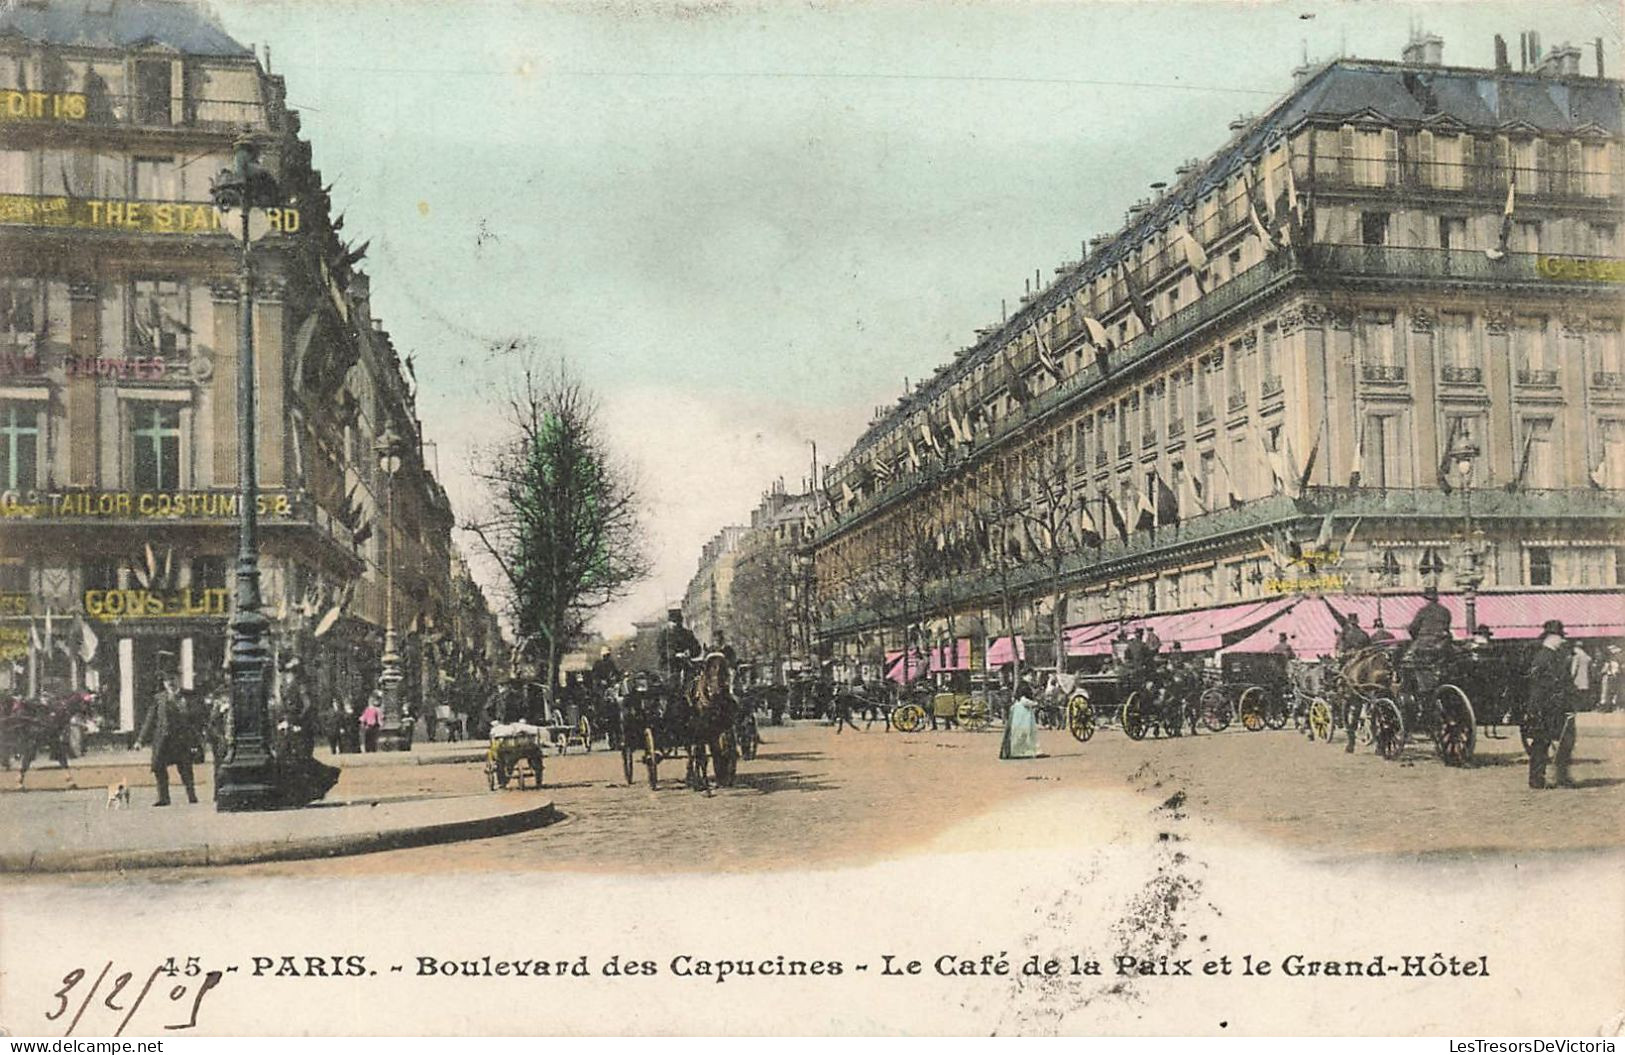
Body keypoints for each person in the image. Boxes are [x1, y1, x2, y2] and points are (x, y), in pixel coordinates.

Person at [135, 665, 199, 806]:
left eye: (173, 679)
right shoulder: (159, 698)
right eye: (166, 680)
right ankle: (163, 798)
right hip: (163, 740)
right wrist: (140, 740)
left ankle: (191, 795)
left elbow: (196, 720)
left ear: (179, 680)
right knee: (159, 768)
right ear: (163, 683)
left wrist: (196, 739)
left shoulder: (188, 697)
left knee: (185, 768)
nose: (170, 683)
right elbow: (149, 720)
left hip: (181, 740)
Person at [1525, 620, 1577, 790]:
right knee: (1544, 743)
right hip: (1547, 707)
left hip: (1552, 707)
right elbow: (1542, 685)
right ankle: (1540, 779)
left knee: (1558, 741)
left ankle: (1555, 777)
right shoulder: (1545, 657)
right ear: (1552, 638)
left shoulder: (1551, 656)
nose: (1562, 641)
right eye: (1560, 637)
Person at [657, 607, 702, 684]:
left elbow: (697, 648)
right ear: (669, 623)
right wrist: (675, 654)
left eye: (678, 622)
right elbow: (661, 650)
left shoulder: (687, 634)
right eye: (674, 622)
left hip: (686, 664)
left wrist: (690, 652)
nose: (676, 624)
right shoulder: (664, 635)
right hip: (669, 666)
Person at [1000, 678, 1039, 759]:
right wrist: (1035, 704)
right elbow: (1024, 701)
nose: (1031, 677)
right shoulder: (1024, 686)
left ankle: (1022, 750)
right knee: (1022, 732)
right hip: (1022, 713)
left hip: (1021, 712)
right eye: (1030, 675)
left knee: (1022, 732)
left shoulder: (1024, 685)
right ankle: (1020, 751)